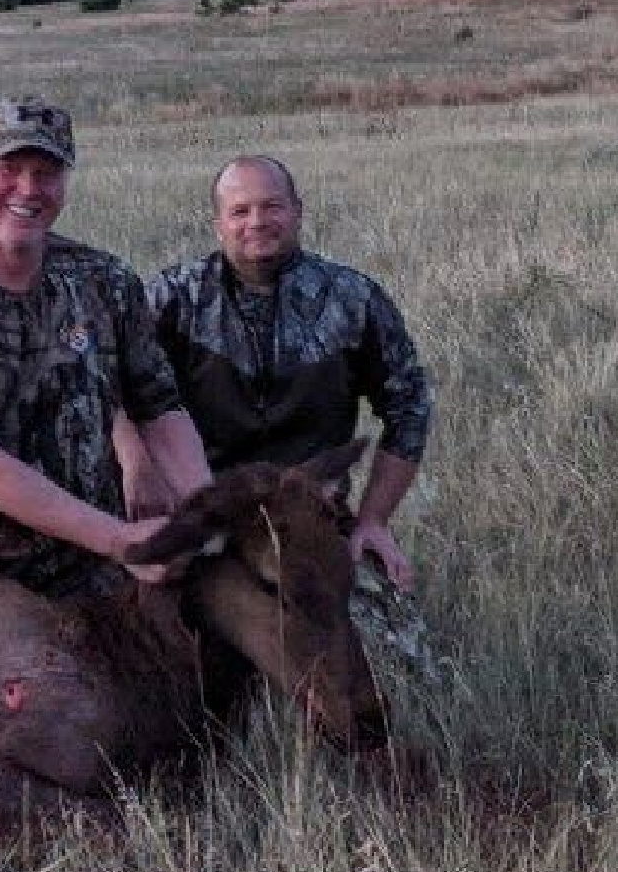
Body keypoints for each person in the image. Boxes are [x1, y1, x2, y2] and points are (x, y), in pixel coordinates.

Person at [0, 95, 212, 599]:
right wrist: (120, 540)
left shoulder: (106, 281)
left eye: (47, 171)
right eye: (10, 167)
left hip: (96, 563)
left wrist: (205, 515)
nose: (29, 189)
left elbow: (159, 407)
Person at [118, 154, 431, 592]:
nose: (257, 222)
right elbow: (112, 383)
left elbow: (411, 405)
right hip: (194, 518)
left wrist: (374, 520)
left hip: (310, 519)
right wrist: (138, 468)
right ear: (218, 224)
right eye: (240, 211)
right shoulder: (173, 298)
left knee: (382, 648)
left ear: (297, 211)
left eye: (272, 206)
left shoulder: (353, 300)